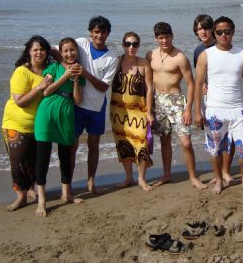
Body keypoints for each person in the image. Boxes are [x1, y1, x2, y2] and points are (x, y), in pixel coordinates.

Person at [194, 16, 243, 194]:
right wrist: (197, 111)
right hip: (214, 110)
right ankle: (219, 180)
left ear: (233, 32)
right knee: (215, 150)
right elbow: (198, 84)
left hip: (238, 109)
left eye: (227, 31)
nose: (223, 35)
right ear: (215, 32)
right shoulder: (206, 55)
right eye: (219, 32)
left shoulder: (242, 54)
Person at [146, 22, 206, 190]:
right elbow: (148, 83)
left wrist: (189, 109)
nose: (164, 41)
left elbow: (191, 84)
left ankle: (193, 177)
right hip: (158, 101)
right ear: (156, 38)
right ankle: (166, 174)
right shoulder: (150, 55)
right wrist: (148, 107)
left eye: (167, 37)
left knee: (186, 143)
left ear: (172, 36)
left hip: (176, 101)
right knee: (164, 141)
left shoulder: (180, 57)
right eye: (160, 38)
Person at [34, 37, 85, 216]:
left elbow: (78, 101)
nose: (69, 53)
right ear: (61, 53)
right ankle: (42, 200)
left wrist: (77, 80)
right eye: (65, 51)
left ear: (76, 52)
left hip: (66, 115)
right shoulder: (52, 68)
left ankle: (67, 194)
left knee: (66, 157)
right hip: (46, 115)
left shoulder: (80, 71)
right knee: (43, 158)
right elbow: (46, 91)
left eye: (72, 50)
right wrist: (65, 75)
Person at [1, 35, 53, 211]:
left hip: (39, 126)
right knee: (18, 163)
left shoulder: (49, 70)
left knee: (33, 162)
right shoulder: (21, 71)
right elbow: (20, 101)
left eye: (42, 49)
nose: (39, 52)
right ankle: (21, 197)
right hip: (16, 125)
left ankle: (30, 189)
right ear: (29, 52)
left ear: (47, 51)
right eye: (35, 49)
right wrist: (39, 87)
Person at [71, 16, 119, 193]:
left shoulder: (112, 57)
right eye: (96, 32)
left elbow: (103, 87)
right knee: (72, 146)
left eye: (103, 32)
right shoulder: (81, 43)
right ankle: (68, 183)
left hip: (96, 108)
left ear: (108, 33)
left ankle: (91, 181)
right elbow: (58, 50)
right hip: (76, 105)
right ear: (90, 33)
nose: (99, 35)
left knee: (93, 145)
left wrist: (85, 73)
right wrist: (65, 65)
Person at [110, 31, 155, 191]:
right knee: (124, 144)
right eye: (128, 44)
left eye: (135, 44)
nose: (131, 47)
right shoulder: (116, 62)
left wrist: (149, 111)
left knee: (141, 144)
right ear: (123, 45)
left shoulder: (143, 64)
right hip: (118, 112)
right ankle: (128, 177)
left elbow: (150, 89)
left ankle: (141, 179)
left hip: (139, 111)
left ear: (138, 46)